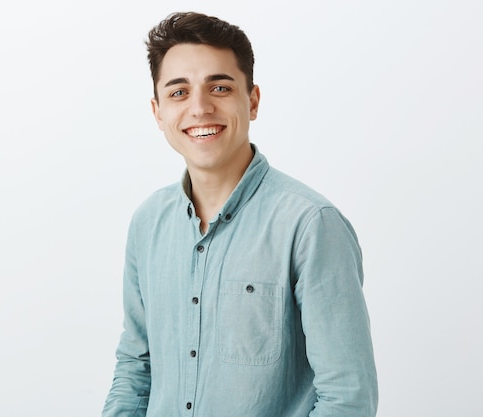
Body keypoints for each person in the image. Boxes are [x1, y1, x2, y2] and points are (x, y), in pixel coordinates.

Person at [102, 11, 378, 417]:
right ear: (158, 112)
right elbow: (135, 369)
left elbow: (348, 399)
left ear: (252, 101)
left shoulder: (309, 225)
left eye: (219, 87)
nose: (199, 108)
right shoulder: (148, 222)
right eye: (179, 92)